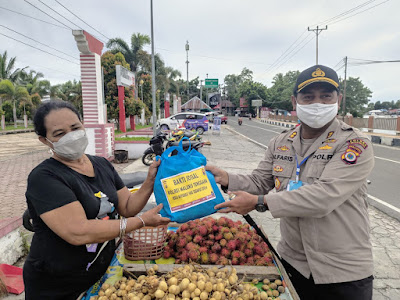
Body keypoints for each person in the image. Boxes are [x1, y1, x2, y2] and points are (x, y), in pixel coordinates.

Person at [207, 65, 374, 300]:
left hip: (342, 272)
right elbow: (259, 181)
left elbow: (324, 196)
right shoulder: (281, 142)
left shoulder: (355, 145)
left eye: (326, 96)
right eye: (308, 97)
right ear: (295, 102)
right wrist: (226, 178)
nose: (318, 103)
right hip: (293, 263)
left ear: (339, 99)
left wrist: (260, 202)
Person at [23, 100, 170, 299]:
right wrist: (141, 222)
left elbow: (127, 207)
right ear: (45, 140)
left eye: (75, 127)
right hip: (58, 285)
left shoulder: (101, 164)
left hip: (100, 274)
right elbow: (78, 232)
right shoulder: (45, 178)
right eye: (59, 133)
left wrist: (150, 180)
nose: (71, 136)